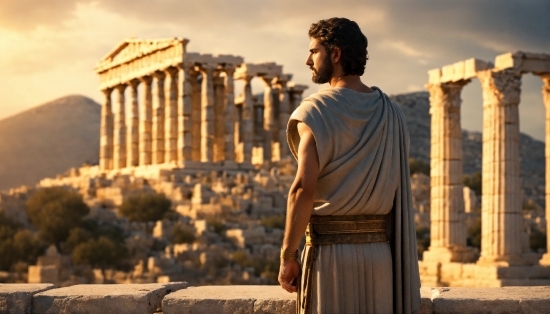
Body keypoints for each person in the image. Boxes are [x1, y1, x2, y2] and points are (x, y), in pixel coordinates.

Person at [278, 17, 421, 314]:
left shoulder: (315, 111)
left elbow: (303, 188)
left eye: (314, 51)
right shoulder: (391, 113)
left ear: (336, 54)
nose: (307, 60)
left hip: (330, 258)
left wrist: (288, 255)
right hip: (381, 257)